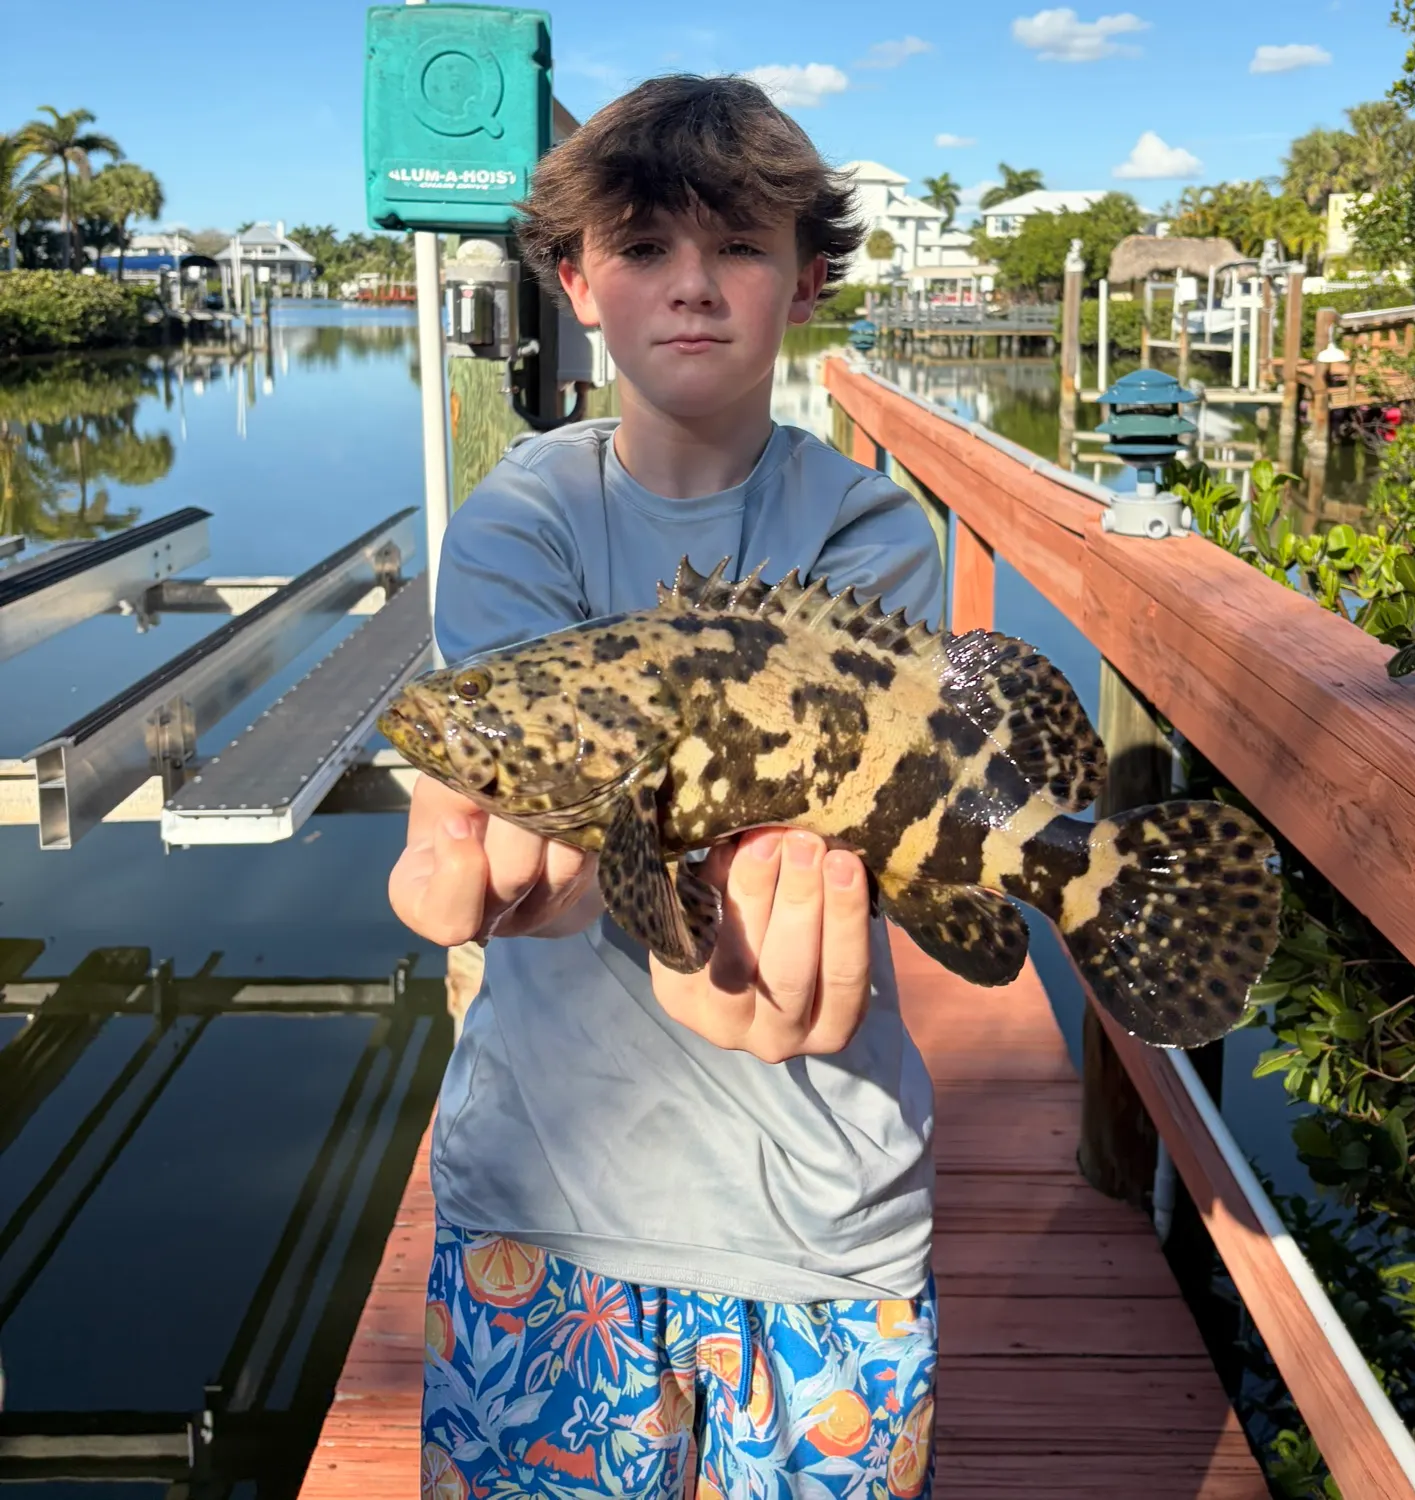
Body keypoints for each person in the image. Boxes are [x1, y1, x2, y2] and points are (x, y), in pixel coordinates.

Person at [390, 74, 944, 1500]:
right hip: (549, 1207)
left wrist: (721, 916)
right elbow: (554, 808)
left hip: (824, 1218)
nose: (692, 287)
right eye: (643, 250)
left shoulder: (873, 530)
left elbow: (831, 815)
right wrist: (524, 870)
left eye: (740, 249)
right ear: (575, 281)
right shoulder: (523, 510)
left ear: (808, 281)